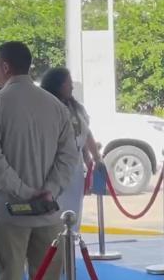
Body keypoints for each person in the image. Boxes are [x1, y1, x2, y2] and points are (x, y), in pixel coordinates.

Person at [0, 42, 79, 280]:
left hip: (7, 212)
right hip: (48, 211)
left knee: (7, 275)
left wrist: (24, 192)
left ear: (4, 66)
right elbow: (68, 155)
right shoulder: (55, 105)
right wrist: (49, 191)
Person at [40, 67, 102, 232]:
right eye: (68, 83)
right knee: (57, 209)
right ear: (58, 85)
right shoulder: (46, 106)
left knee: (74, 209)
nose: (72, 87)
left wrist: (94, 157)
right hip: (54, 165)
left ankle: (70, 243)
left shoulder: (76, 107)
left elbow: (86, 133)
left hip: (75, 167)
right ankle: (55, 246)